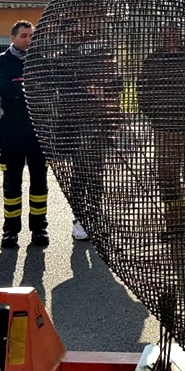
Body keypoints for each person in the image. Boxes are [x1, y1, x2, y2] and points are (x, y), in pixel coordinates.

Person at [136, 22, 185, 243]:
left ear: (181, 35)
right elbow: (142, 90)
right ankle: (176, 227)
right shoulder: (153, 60)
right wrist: (154, 113)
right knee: (168, 181)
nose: (171, 36)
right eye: (167, 32)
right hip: (163, 131)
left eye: (175, 32)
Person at [0, 20, 67, 248]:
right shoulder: (2, 61)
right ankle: (10, 230)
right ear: (13, 37)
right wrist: (31, 87)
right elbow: (5, 89)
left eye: (31, 36)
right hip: (12, 127)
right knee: (12, 183)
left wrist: (22, 87)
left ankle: (39, 228)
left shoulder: (43, 61)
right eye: (24, 35)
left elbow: (50, 90)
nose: (28, 39)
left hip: (40, 127)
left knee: (39, 182)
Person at [52, 15, 122, 243]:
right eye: (67, 31)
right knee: (80, 170)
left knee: (96, 169)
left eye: (74, 29)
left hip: (99, 121)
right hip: (76, 123)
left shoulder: (99, 54)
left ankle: (94, 214)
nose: (73, 34)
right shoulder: (62, 59)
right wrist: (88, 88)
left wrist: (107, 91)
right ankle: (80, 218)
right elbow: (61, 88)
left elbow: (117, 83)